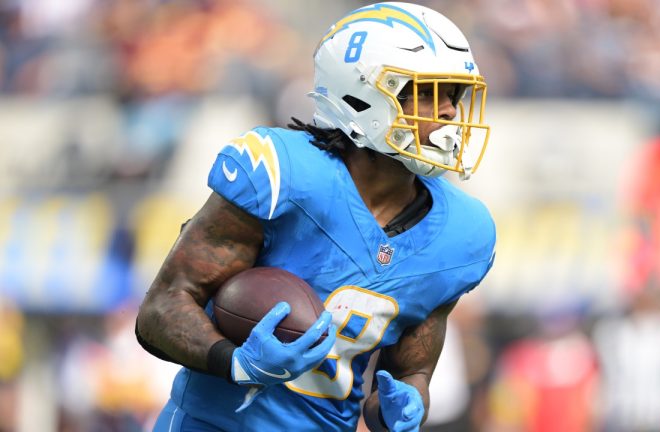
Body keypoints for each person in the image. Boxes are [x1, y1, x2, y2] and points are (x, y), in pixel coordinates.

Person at [135, 2, 495, 431]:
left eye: (452, 95)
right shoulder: (282, 174)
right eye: (426, 92)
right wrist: (236, 363)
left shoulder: (462, 233)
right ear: (361, 93)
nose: (450, 112)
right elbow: (161, 309)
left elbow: (407, 373)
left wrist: (404, 406)